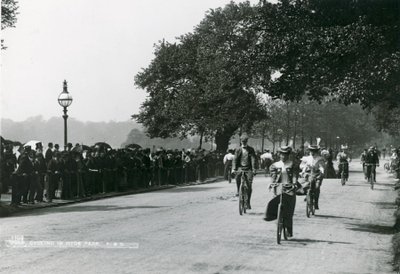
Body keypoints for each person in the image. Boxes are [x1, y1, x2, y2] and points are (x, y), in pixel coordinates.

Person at [266, 146, 297, 237]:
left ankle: (288, 229)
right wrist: (271, 184)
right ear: (279, 155)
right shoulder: (275, 165)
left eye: (286, 154)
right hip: (279, 186)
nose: (283, 156)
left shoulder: (292, 164)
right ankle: (274, 217)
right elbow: (273, 176)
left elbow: (294, 175)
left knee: (289, 210)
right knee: (274, 202)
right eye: (282, 154)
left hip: (289, 187)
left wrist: (294, 183)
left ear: (288, 155)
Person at [232, 134, 256, 209]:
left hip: (248, 168)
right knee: (237, 177)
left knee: (249, 185)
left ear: (247, 141)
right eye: (242, 141)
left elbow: (253, 159)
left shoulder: (251, 149)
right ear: (241, 141)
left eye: (245, 141)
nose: (244, 142)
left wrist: (254, 169)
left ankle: (248, 202)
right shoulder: (238, 149)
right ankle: (238, 190)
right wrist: (233, 168)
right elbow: (235, 159)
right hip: (240, 167)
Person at [300, 145, 325, 209]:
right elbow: (302, 166)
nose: (312, 152)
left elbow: (321, 167)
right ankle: (307, 195)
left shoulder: (319, 159)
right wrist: (303, 170)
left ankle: (316, 202)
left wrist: (322, 171)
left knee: (317, 187)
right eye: (311, 151)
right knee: (305, 185)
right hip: (308, 174)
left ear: (317, 152)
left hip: (317, 174)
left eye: (314, 151)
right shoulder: (306, 158)